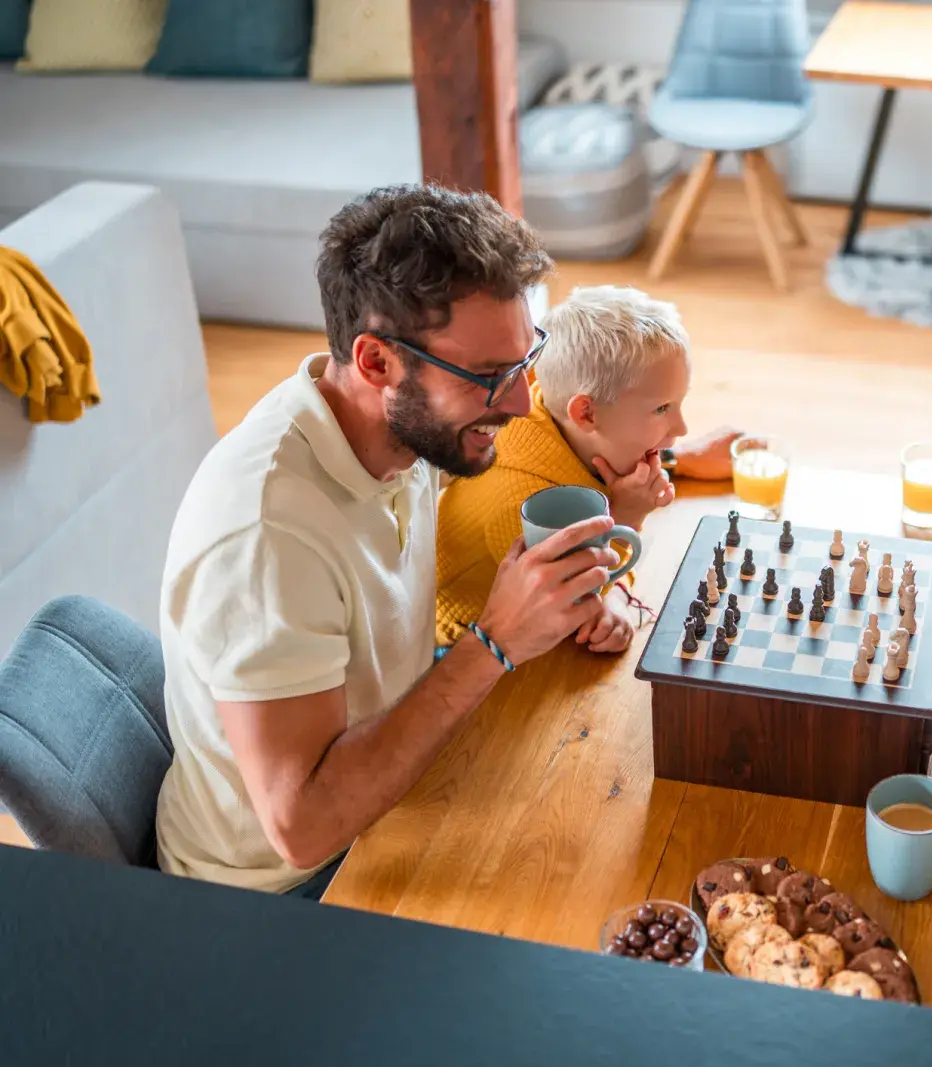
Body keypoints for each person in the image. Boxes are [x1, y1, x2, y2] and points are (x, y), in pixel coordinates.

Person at [155, 185, 619, 897]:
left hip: (391, 797)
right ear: (376, 362)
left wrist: (647, 469)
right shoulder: (266, 535)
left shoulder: (402, 432)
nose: (522, 403)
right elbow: (302, 826)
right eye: (490, 378)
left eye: (525, 363)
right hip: (284, 893)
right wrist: (493, 643)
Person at [434, 284, 736, 651]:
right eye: (662, 409)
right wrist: (626, 517)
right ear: (586, 412)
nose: (682, 428)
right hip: (464, 643)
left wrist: (680, 457)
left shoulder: (551, 404)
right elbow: (571, 609)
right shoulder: (527, 509)